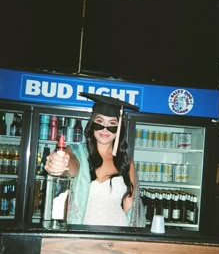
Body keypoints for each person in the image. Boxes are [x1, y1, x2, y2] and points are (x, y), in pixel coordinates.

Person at [45, 92, 146, 227]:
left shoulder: (127, 163)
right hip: (82, 233)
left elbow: (130, 205)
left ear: (119, 128)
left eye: (112, 124)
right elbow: (71, 166)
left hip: (118, 231)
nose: (105, 129)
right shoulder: (77, 152)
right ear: (92, 124)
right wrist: (61, 164)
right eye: (99, 122)